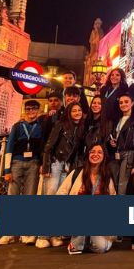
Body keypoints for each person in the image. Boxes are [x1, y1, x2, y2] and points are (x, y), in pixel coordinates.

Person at [0, 100, 44, 246]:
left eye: (34, 109)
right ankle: (9, 233)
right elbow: (9, 146)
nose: (31, 112)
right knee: (13, 197)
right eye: (28, 109)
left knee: (30, 197)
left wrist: (42, 164)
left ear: (38, 110)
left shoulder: (41, 127)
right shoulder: (17, 126)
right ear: (24, 110)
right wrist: (6, 170)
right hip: (16, 162)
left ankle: (26, 232)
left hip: (34, 163)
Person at [40, 102, 86, 248]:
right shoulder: (61, 124)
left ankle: (54, 234)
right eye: (74, 111)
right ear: (69, 112)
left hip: (67, 166)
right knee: (51, 195)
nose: (77, 112)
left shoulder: (81, 128)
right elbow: (48, 146)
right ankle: (42, 235)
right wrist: (46, 166)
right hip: (55, 163)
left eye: (79, 110)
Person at [58, 144, 116, 255]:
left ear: (104, 156)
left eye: (99, 152)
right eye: (92, 152)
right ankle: (78, 243)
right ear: (88, 154)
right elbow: (61, 193)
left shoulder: (107, 176)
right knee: (77, 247)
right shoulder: (77, 172)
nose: (95, 154)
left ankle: (89, 242)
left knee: (100, 248)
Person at [108, 93, 134, 196]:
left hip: (129, 155)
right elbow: (117, 136)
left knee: (123, 183)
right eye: (121, 103)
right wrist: (112, 142)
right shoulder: (117, 120)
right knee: (114, 181)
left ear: (132, 103)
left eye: (126, 102)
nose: (123, 104)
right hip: (116, 154)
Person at [82, 96, 111, 166]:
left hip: (97, 159)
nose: (96, 105)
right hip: (84, 157)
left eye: (99, 103)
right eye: (94, 103)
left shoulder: (107, 123)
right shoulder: (86, 120)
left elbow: (105, 143)